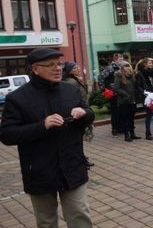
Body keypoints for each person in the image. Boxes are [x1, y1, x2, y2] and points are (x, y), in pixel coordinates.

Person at [0, 48, 95, 228]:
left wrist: (84, 113)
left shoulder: (70, 90)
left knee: (79, 215)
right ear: (35, 69)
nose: (58, 68)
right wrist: (41, 126)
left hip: (72, 165)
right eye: (50, 65)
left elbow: (89, 114)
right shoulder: (17, 98)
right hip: (39, 169)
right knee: (46, 221)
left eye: (59, 64)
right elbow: (7, 135)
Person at [62, 61, 94, 167]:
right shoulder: (71, 82)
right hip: (78, 112)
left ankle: (81, 158)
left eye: (78, 67)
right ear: (69, 71)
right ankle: (81, 160)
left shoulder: (74, 80)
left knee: (79, 138)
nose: (78, 69)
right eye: (75, 68)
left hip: (81, 109)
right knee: (77, 138)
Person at [113, 61, 140, 141]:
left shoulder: (131, 75)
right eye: (125, 66)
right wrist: (126, 94)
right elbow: (116, 88)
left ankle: (132, 134)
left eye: (128, 66)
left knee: (131, 118)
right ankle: (126, 135)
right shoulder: (119, 75)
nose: (127, 67)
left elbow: (135, 86)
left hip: (132, 101)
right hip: (124, 101)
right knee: (125, 119)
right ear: (122, 68)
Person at [98, 53, 123, 136]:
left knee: (120, 111)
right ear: (115, 59)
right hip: (113, 93)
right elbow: (101, 77)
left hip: (120, 93)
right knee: (115, 111)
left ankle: (120, 128)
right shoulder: (110, 67)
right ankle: (115, 129)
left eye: (122, 59)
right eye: (120, 59)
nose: (121, 60)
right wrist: (105, 90)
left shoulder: (121, 67)